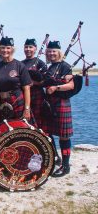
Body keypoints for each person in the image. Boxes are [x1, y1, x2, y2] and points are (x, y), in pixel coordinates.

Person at [0, 37, 32, 124]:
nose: (5, 50)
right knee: (2, 131)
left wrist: (27, 109)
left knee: (19, 130)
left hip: (17, 101)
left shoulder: (20, 66)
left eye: (8, 48)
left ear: (12, 49)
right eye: (3, 48)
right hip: (0, 102)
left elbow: (26, 89)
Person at [44, 40, 75, 177]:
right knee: (47, 131)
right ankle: (56, 157)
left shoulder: (65, 66)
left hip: (62, 103)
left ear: (59, 52)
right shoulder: (50, 67)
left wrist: (56, 87)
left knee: (64, 136)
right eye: (49, 51)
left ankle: (66, 166)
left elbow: (71, 85)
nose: (51, 53)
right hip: (50, 103)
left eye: (54, 51)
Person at [21, 38, 48, 129]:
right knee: (24, 122)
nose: (28, 49)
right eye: (26, 47)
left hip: (37, 96)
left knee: (38, 123)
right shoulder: (21, 64)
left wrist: (35, 83)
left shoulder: (41, 64)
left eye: (30, 47)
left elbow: (46, 82)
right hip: (23, 95)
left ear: (35, 49)